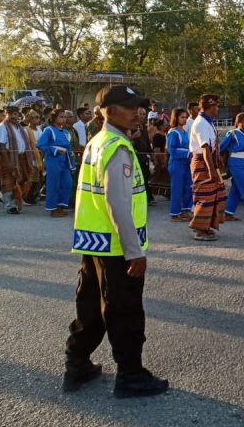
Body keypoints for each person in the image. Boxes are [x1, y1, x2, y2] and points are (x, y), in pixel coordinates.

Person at [64, 85, 168, 398]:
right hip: (117, 248)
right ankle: (131, 376)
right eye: (129, 106)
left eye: (139, 107)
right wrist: (134, 252)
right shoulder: (118, 148)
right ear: (107, 110)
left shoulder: (99, 141)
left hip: (93, 243)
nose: (138, 112)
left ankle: (77, 364)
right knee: (125, 312)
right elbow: (117, 204)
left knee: (91, 309)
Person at [189, 94, 226, 241]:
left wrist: (219, 159)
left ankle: (206, 226)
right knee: (205, 197)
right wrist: (211, 171)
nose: (218, 108)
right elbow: (204, 148)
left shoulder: (208, 122)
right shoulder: (201, 123)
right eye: (216, 106)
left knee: (216, 195)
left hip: (209, 161)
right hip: (202, 163)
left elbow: (213, 145)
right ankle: (199, 230)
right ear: (210, 107)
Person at [0, 105, 34, 214]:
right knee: (8, 182)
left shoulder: (20, 128)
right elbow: (1, 145)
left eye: (15, 114)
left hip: (21, 158)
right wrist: (8, 162)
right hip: (8, 158)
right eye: (10, 114)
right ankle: (9, 206)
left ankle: (16, 203)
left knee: (21, 180)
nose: (13, 116)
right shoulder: (2, 127)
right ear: (6, 114)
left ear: (18, 115)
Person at [36, 108, 76, 217]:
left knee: (67, 183)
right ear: (54, 118)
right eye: (61, 117)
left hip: (65, 161)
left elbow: (69, 148)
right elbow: (40, 145)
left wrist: (72, 162)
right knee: (54, 184)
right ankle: (53, 209)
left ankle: (60, 206)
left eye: (65, 117)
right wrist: (55, 150)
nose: (63, 119)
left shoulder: (66, 132)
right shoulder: (49, 130)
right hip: (53, 160)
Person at [166, 108, 192, 222]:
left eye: (186, 117)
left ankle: (185, 211)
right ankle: (174, 214)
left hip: (187, 163)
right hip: (176, 164)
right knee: (177, 188)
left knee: (189, 187)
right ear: (176, 118)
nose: (185, 119)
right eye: (182, 117)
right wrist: (187, 153)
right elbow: (171, 150)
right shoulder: (173, 132)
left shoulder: (185, 133)